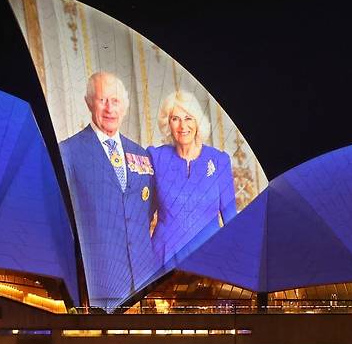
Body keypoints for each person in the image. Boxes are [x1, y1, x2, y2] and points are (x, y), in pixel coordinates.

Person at [60, 72, 158, 309]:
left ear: (124, 106)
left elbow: (148, 208)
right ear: (88, 102)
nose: (109, 108)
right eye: (102, 100)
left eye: (115, 101)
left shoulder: (142, 154)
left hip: (143, 283)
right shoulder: (69, 152)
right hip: (99, 285)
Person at [148, 90, 236, 267]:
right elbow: (144, 216)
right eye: (175, 119)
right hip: (164, 262)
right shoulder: (155, 158)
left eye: (188, 118)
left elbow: (231, 218)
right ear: (168, 123)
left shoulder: (219, 160)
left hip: (210, 260)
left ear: (198, 121)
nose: (182, 126)